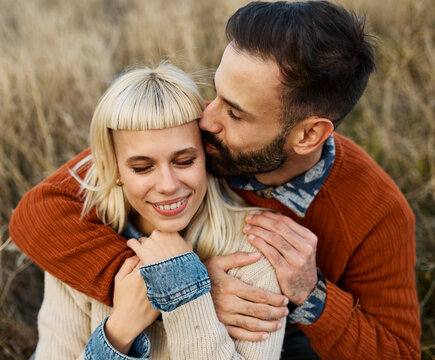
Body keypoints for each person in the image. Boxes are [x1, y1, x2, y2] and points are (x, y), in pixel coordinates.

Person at [10, 1, 421, 359]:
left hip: (293, 338)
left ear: (308, 135)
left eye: (235, 113)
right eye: (217, 93)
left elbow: (398, 352)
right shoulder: (194, 140)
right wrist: (182, 286)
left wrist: (311, 295)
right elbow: (38, 212)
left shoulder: (376, 211)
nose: (206, 118)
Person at [31, 63, 286, 359]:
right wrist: (118, 331)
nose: (167, 185)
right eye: (142, 167)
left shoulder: (253, 251)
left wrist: (185, 288)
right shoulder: (79, 240)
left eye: (184, 161)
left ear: (206, 157)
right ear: (115, 169)